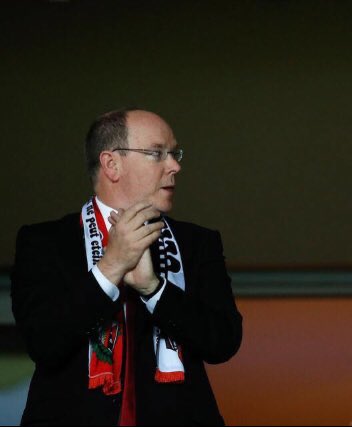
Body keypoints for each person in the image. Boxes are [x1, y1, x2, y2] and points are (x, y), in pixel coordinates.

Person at [11, 109, 243, 425]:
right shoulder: (45, 241)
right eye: (157, 153)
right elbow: (43, 341)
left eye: (174, 154)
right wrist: (110, 268)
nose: (175, 166)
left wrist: (154, 290)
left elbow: (223, 343)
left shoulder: (197, 242)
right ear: (112, 164)